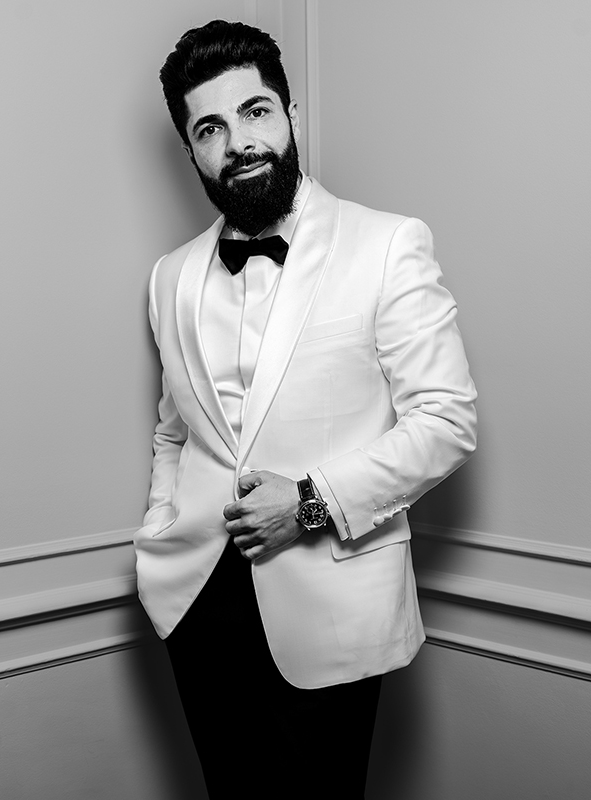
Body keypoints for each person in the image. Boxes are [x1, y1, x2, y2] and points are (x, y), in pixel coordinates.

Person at [134, 19, 477, 800]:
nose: (239, 143)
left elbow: (446, 421)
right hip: (196, 603)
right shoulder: (169, 277)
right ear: (191, 150)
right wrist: (159, 526)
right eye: (210, 129)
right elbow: (172, 431)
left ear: (290, 114)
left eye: (255, 111)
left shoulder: (387, 244)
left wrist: (310, 502)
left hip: (330, 605)